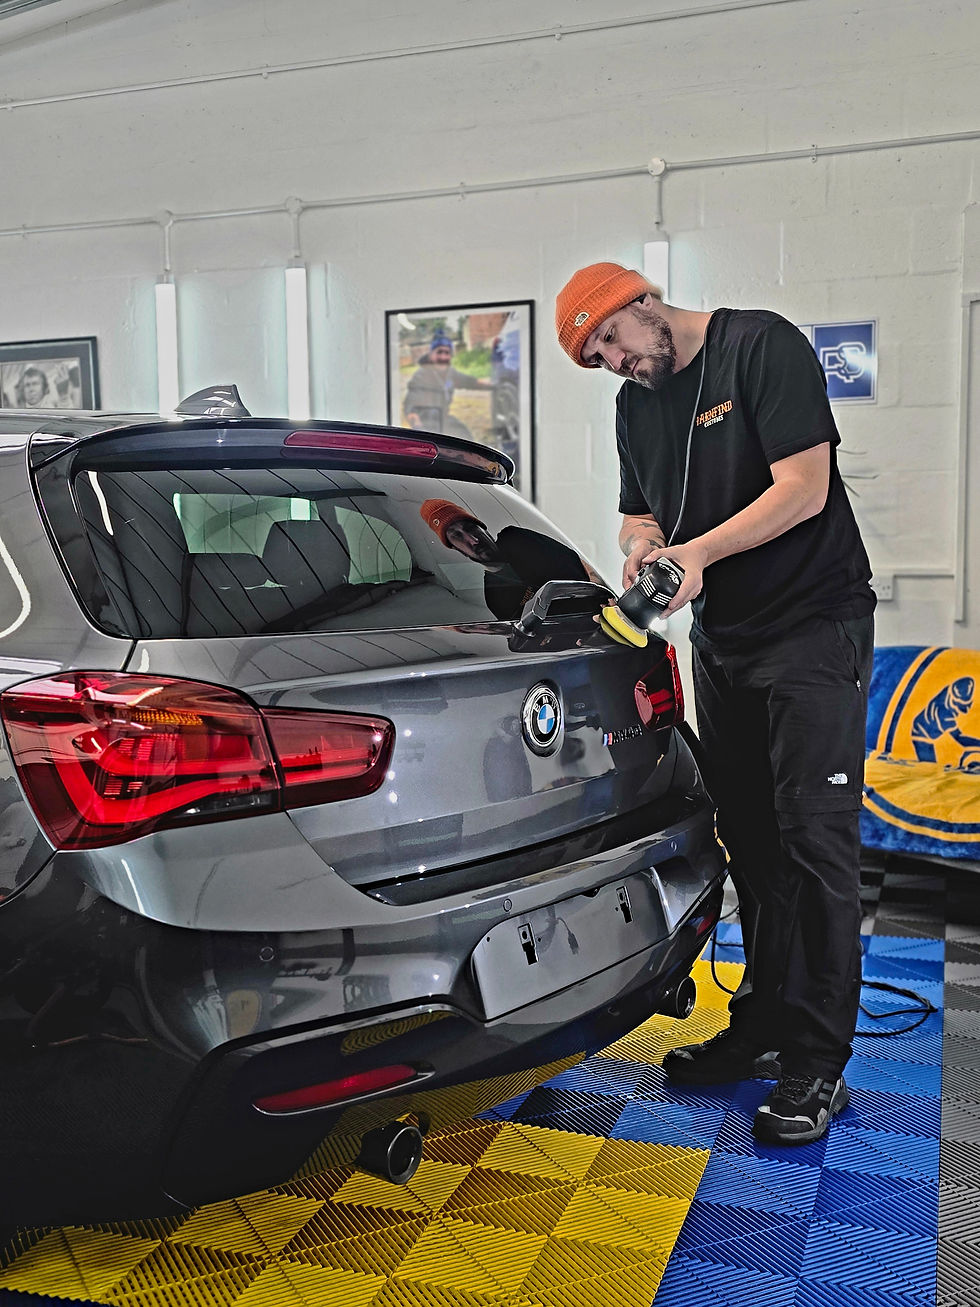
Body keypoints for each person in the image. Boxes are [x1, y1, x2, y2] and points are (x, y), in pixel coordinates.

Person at [554, 262, 876, 1146]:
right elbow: (635, 514)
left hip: (815, 628)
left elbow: (803, 488)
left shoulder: (760, 346)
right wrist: (645, 544)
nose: (616, 362)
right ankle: (764, 1023)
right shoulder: (636, 406)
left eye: (612, 340)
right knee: (752, 839)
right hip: (724, 643)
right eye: (598, 359)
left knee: (815, 841)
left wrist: (696, 552)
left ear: (641, 300)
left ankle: (816, 1060)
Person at [419, 498, 595, 621]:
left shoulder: (517, 539)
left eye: (470, 528)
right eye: (457, 536)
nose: (472, 540)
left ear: (483, 528)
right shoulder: (495, 598)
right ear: (455, 548)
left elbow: (578, 564)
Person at [403, 332, 490, 438]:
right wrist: (418, 428)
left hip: (443, 419)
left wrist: (495, 385)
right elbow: (411, 408)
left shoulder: (450, 373)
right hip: (426, 424)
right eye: (439, 352)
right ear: (431, 354)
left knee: (465, 435)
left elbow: (471, 382)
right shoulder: (421, 375)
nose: (443, 357)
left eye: (447, 352)